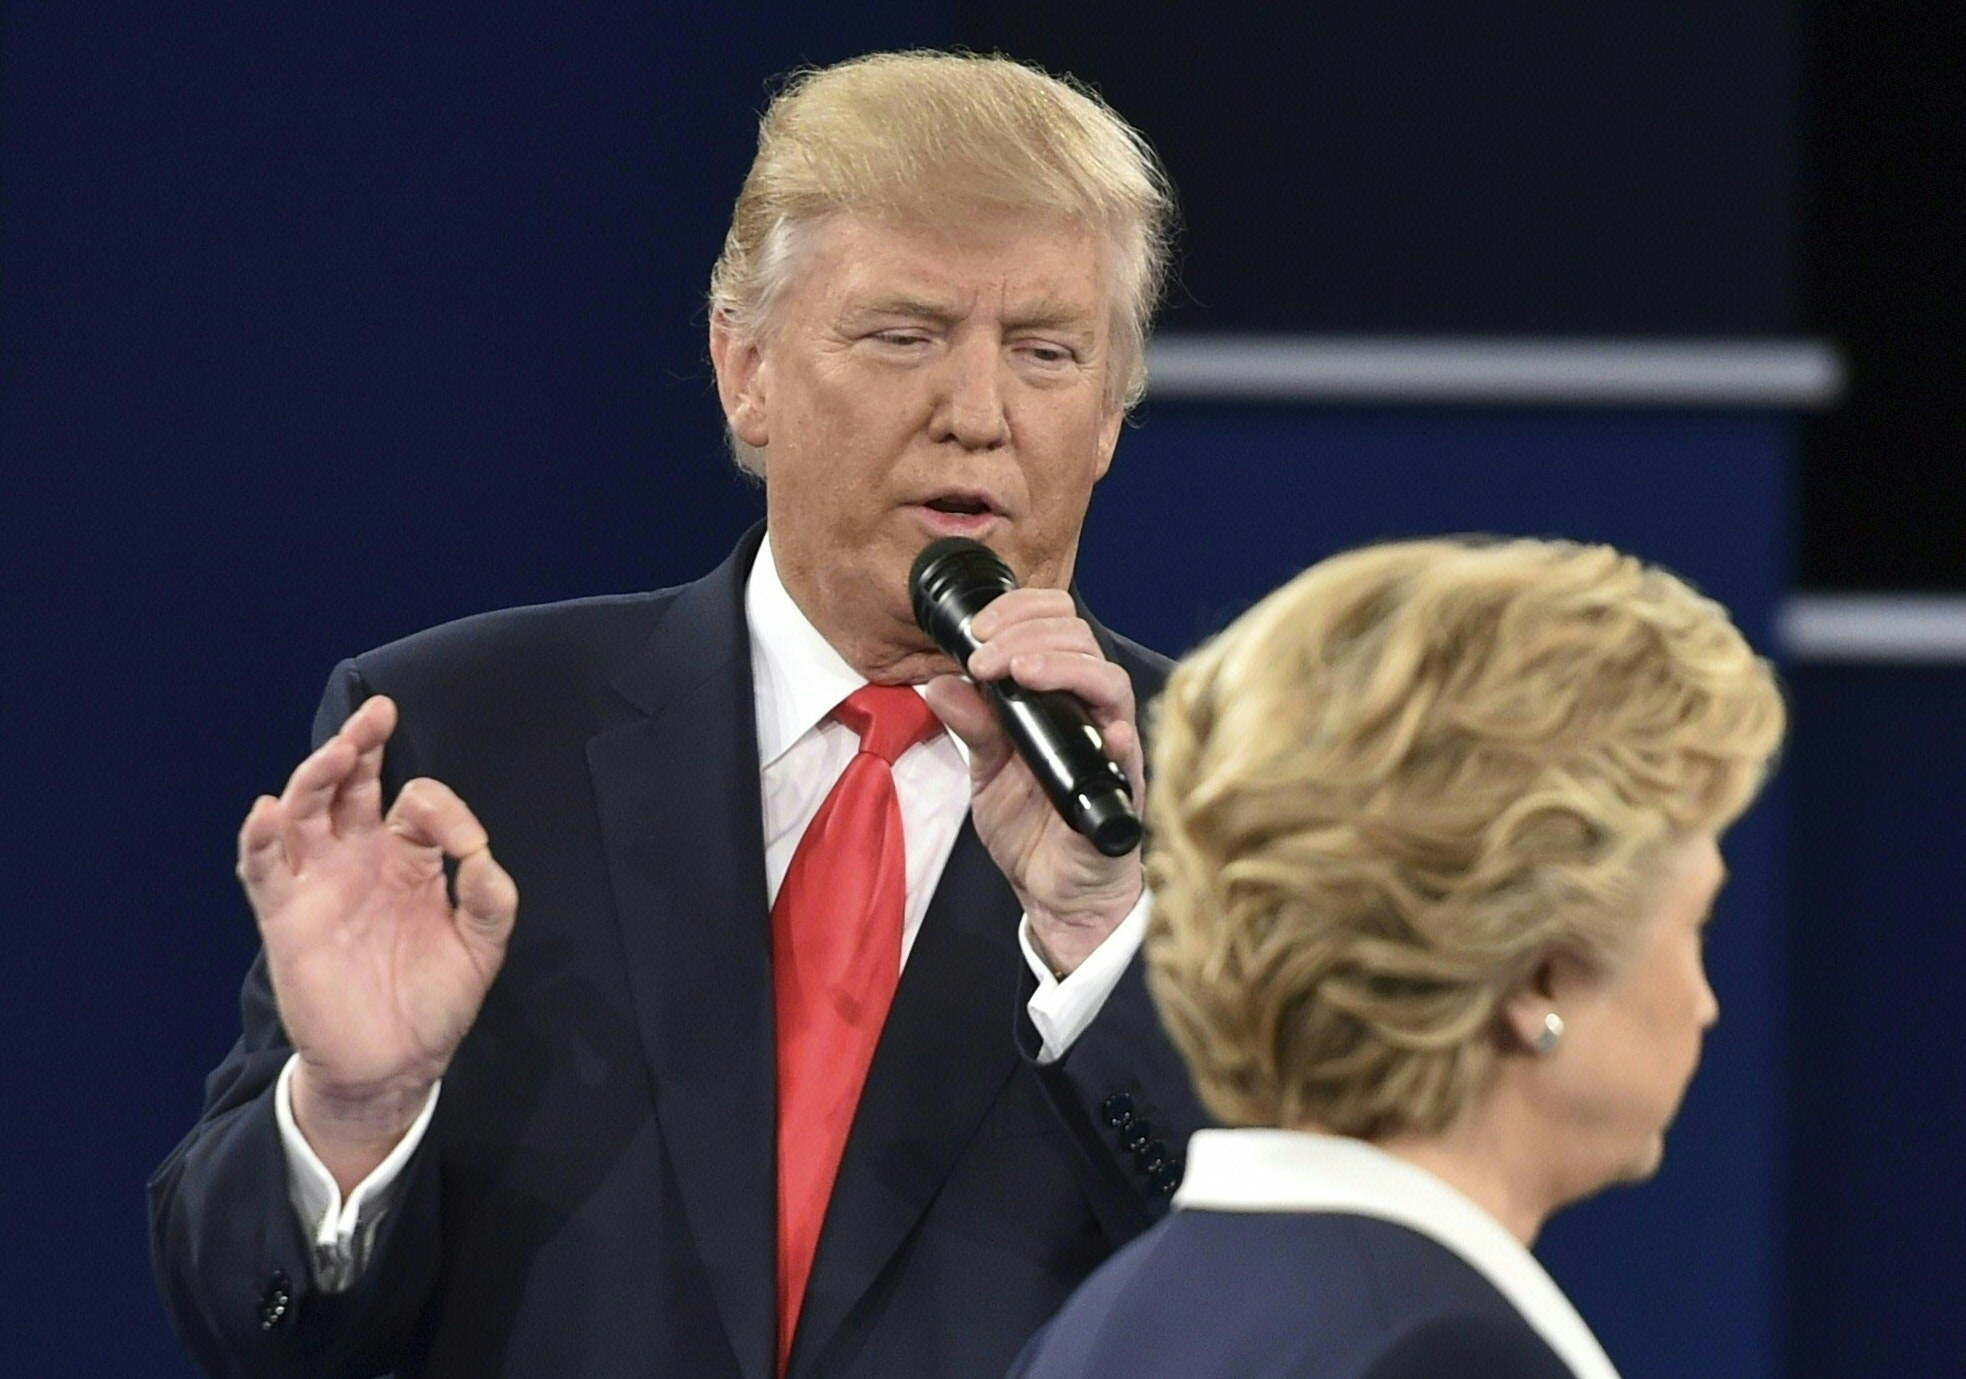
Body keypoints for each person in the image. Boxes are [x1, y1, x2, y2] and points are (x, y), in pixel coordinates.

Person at [149, 51, 1208, 1379]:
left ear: (1110, 417)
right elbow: (247, 1322)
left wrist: (1099, 938)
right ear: (744, 368)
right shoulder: (456, 738)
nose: (978, 415)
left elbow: (1307, 1306)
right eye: (903, 335)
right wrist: (355, 1109)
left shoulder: (1243, 791)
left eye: (1046, 352)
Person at [1008, 537, 1786, 1379]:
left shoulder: (1097, 1327)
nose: (1706, 1001)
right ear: (1540, 975)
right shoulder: (1447, 1355)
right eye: (1694, 923)